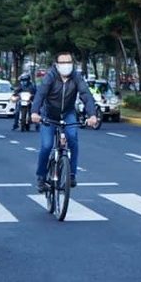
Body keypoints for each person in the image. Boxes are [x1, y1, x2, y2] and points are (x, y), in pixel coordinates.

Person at [30, 52, 97, 191]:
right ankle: (41, 177)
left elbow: (86, 95)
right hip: (49, 115)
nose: (66, 65)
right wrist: (35, 112)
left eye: (68, 62)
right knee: (47, 146)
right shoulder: (50, 77)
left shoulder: (76, 77)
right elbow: (40, 94)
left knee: (72, 138)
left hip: (68, 113)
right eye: (62, 62)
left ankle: (71, 174)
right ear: (56, 65)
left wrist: (92, 115)